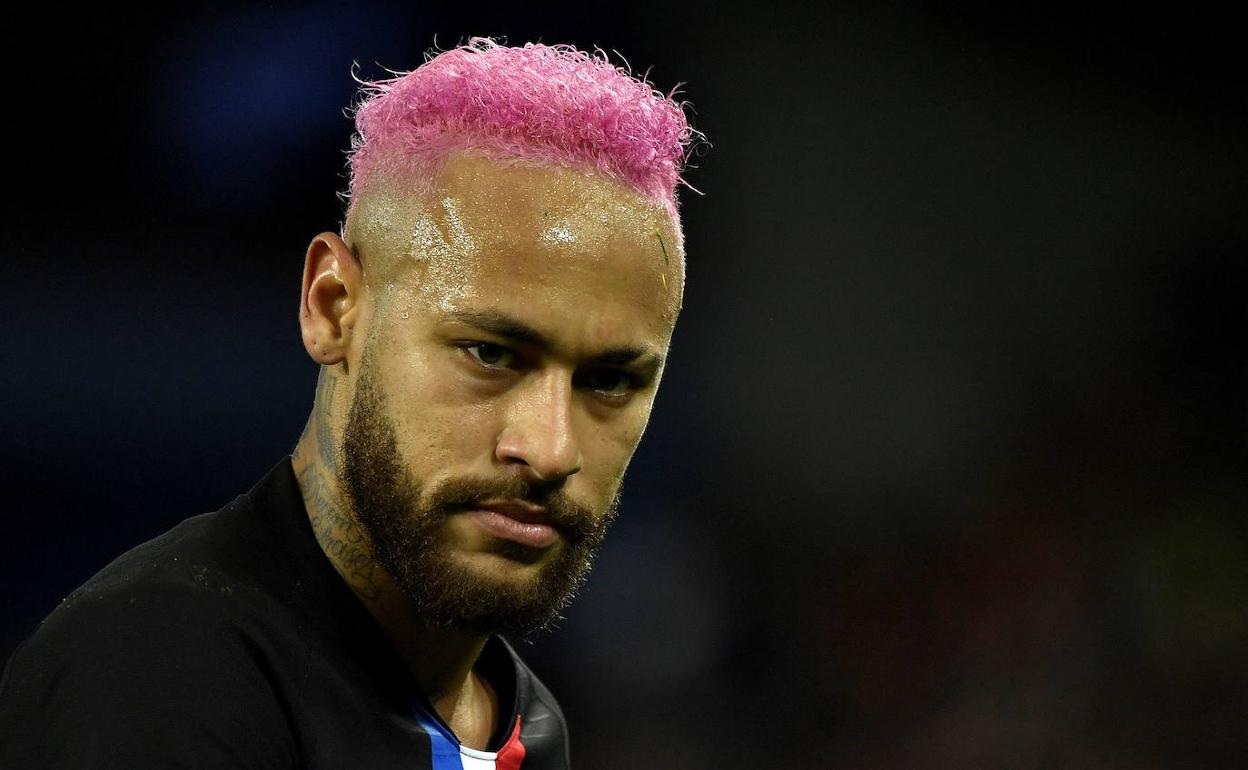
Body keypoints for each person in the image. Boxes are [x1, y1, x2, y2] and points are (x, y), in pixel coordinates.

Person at [0, 38, 698, 768]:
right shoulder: (156, 677)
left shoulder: (528, 727)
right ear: (334, 307)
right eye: (490, 354)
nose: (551, 450)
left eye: (610, 380)